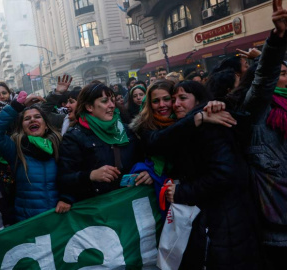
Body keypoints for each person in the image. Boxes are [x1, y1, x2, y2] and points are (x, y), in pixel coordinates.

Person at [159, 81, 260, 269]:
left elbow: (224, 174)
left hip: (224, 218)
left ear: (198, 100)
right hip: (220, 216)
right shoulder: (194, 124)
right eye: (173, 99)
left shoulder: (210, 127)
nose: (176, 104)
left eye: (183, 98)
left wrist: (182, 191)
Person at [235, 2, 287, 267]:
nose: (284, 78)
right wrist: (277, 40)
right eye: (281, 73)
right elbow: (265, 78)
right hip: (277, 230)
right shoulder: (257, 112)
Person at [57, 83, 149, 205]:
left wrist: (146, 172)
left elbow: (142, 159)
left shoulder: (127, 130)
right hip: (98, 210)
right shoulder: (74, 137)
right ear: (89, 107)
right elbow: (64, 178)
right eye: (105, 101)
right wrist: (91, 175)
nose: (112, 105)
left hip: (130, 202)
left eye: (113, 100)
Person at [0, 93, 64, 221]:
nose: (33, 120)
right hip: (29, 222)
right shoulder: (16, 149)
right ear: (22, 127)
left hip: (58, 218)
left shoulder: (59, 145)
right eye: (27, 119)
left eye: (37, 117)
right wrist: (17, 106)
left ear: (46, 125)